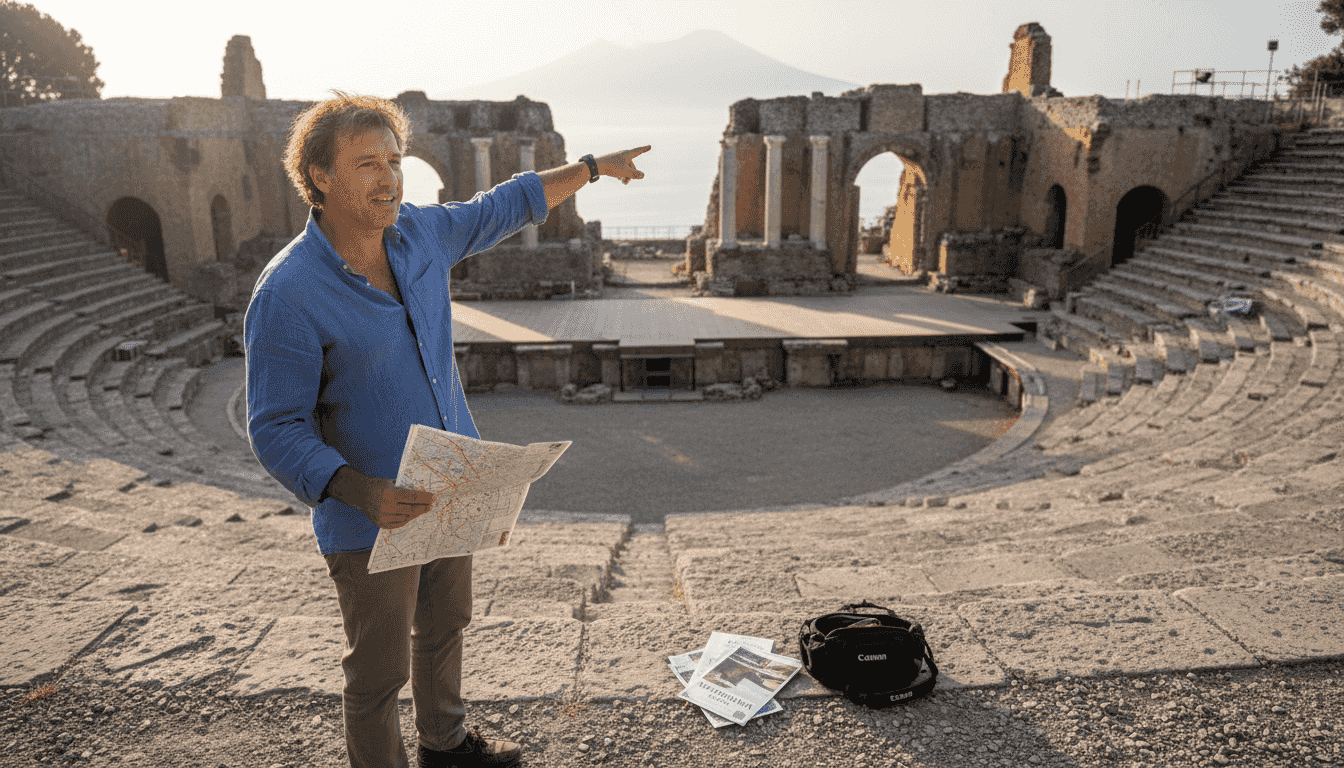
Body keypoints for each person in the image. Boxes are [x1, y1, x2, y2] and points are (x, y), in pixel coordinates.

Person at [244, 90, 648, 768]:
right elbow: (274, 428)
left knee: (447, 625)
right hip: (370, 518)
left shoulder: (421, 235)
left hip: (450, 484)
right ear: (318, 175)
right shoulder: (286, 294)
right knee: (376, 676)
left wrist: (592, 168)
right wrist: (359, 490)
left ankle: (446, 745)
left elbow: (507, 204)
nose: (390, 178)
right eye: (367, 163)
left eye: (395, 161)